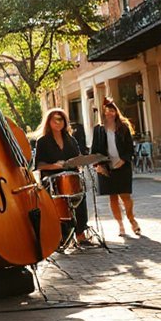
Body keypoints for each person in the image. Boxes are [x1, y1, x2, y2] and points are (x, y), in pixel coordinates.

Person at [33, 108, 90, 244]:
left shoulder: (70, 139)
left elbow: (78, 158)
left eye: (61, 119)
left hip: (72, 177)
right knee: (58, 208)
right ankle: (60, 236)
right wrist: (54, 166)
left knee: (80, 202)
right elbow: (39, 165)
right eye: (55, 120)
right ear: (49, 122)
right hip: (52, 180)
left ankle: (80, 234)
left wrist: (80, 162)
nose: (58, 123)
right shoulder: (42, 141)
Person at [90, 98, 140, 236]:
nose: (109, 113)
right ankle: (120, 225)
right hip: (106, 168)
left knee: (125, 196)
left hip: (122, 166)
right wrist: (97, 165)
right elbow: (94, 150)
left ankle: (132, 220)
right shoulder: (98, 129)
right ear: (103, 113)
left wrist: (123, 160)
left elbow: (130, 148)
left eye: (112, 110)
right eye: (106, 111)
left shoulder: (123, 127)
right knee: (112, 198)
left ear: (116, 112)